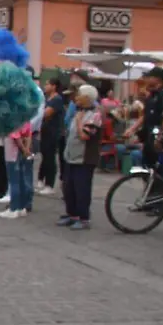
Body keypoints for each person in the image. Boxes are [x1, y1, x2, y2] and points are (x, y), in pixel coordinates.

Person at [124, 66, 163, 211]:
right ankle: (149, 198)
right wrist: (133, 129)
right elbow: (145, 116)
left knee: (159, 171)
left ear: (157, 79)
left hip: (158, 137)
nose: (146, 79)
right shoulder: (151, 96)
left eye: (149, 77)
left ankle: (161, 202)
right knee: (148, 169)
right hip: (148, 135)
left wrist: (161, 135)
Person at [58, 85, 104, 231]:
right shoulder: (79, 112)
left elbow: (85, 136)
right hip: (71, 156)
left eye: (79, 95)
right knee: (68, 187)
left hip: (84, 158)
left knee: (81, 188)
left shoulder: (95, 115)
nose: (76, 98)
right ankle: (72, 215)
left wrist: (78, 122)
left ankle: (84, 218)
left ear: (87, 98)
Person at [0, 120, 34, 219]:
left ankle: (14, 208)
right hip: (22, 152)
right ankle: (22, 207)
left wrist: (23, 149)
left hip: (12, 153)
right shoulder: (26, 118)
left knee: (14, 181)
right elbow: (28, 134)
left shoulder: (13, 119)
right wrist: (27, 149)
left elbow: (15, 136)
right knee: (21, 180)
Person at [37, 77, 64, 195]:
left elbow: (46, 114)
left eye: (47, 84)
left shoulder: (56, 99)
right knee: (45, 156)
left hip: (52, 132)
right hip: (45, 131)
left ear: (54, 86)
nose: (45, 86)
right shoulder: (48, 99)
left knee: (50, 157)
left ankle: (50, 184)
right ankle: (41, 180)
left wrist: (41, 112)